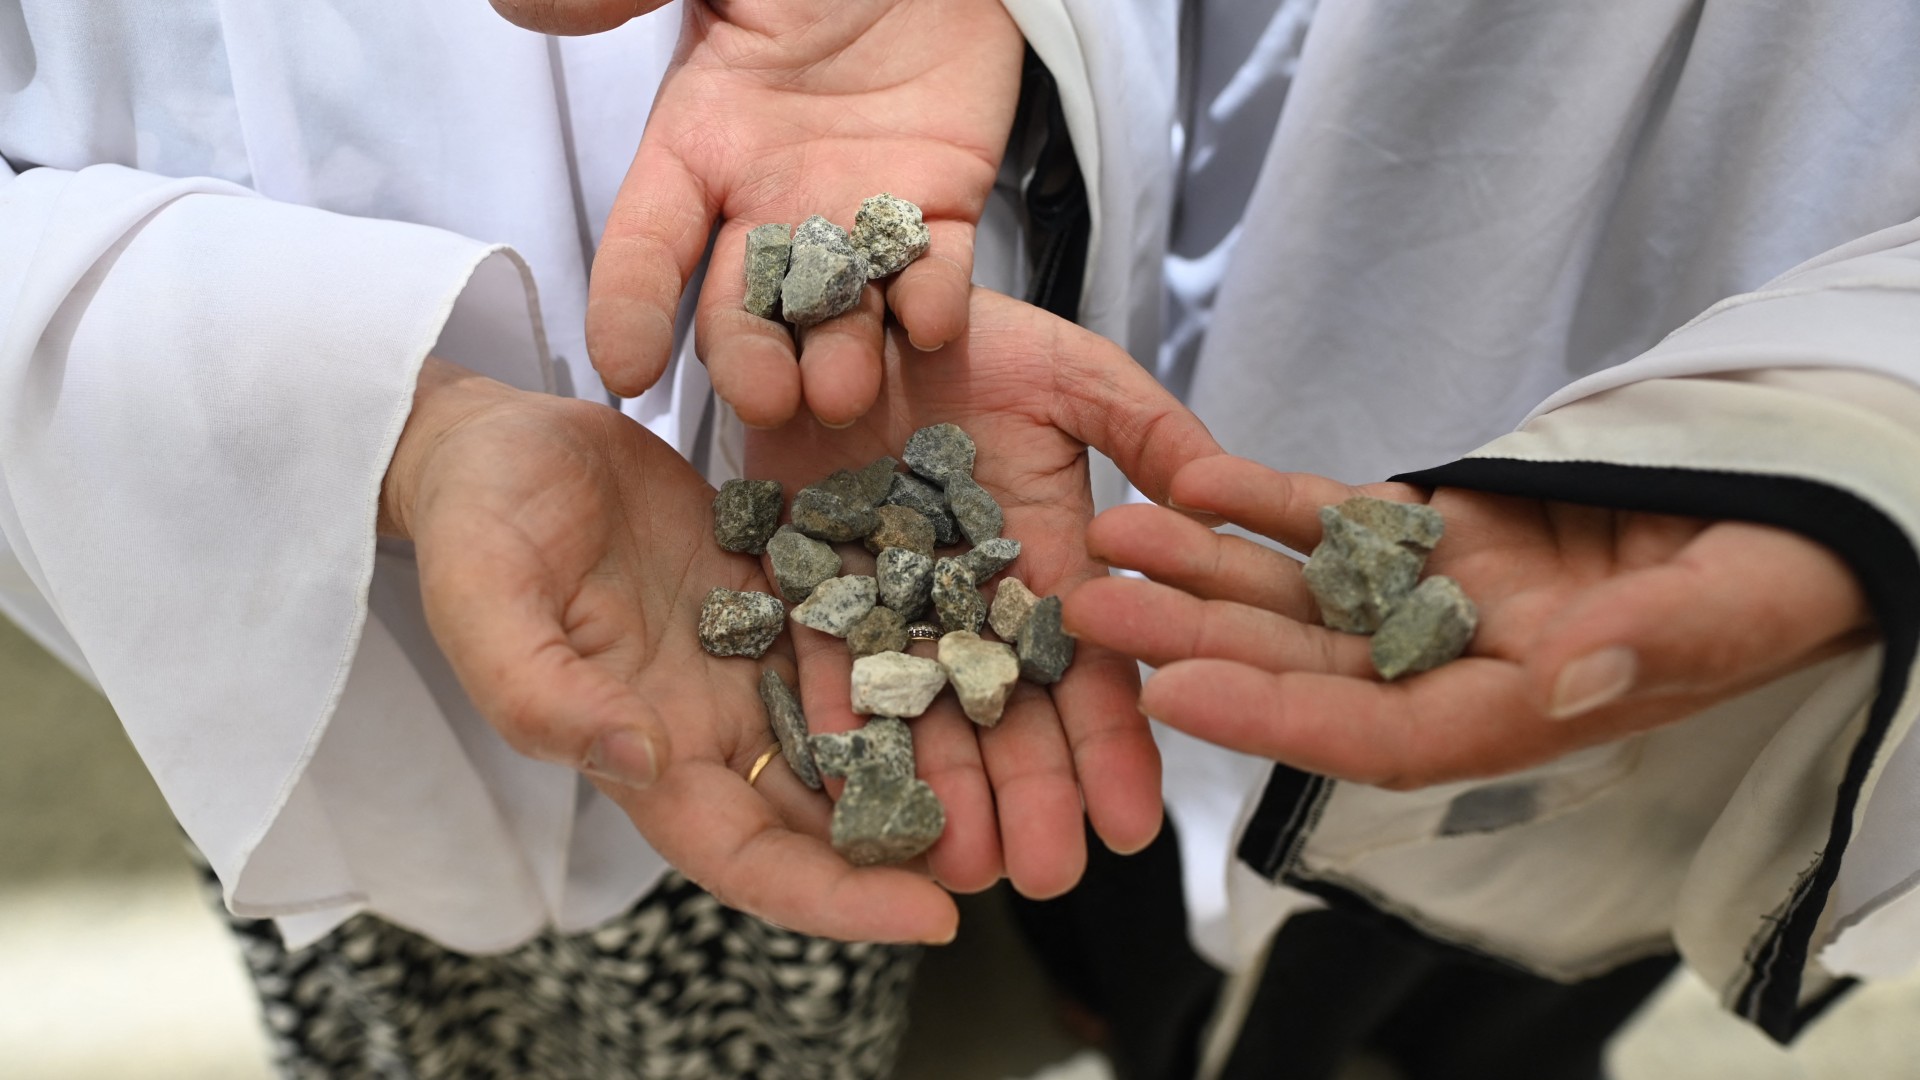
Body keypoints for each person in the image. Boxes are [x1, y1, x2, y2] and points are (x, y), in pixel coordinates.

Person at [554, 0, 1920, 1076]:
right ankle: (1133, 1009)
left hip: (1770, 425)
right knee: (1136, 752)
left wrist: (1877, 419)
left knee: (1535, 868)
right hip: (1221, 214)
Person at [0, 1, 1218, 1075]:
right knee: (403, 997)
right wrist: (379, 420)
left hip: (785, 598)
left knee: (794, 924)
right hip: (254, 598)